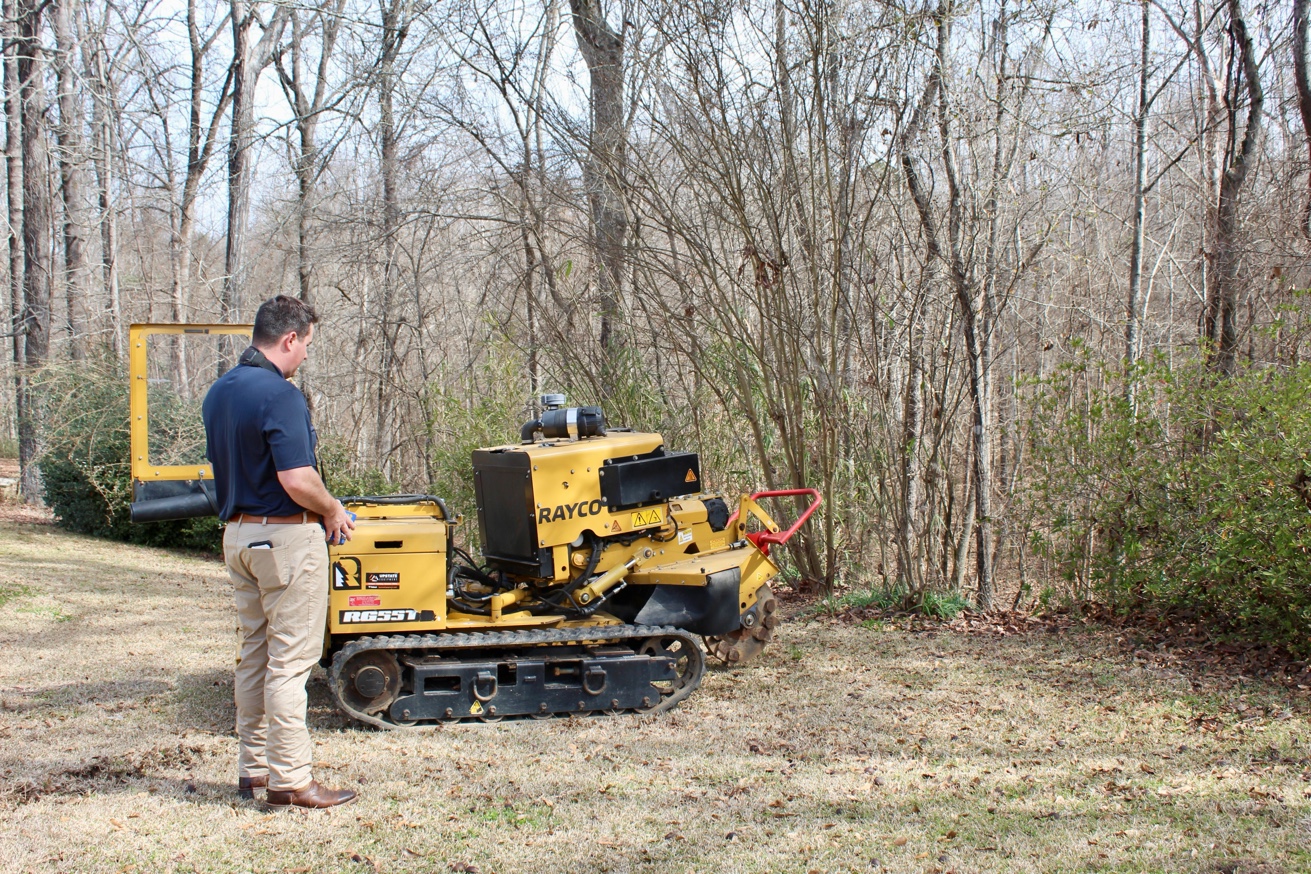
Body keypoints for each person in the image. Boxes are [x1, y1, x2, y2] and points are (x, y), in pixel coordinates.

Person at [202, 295, 357, 809]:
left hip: (238, 537)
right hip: (285, 540)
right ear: (289, 339)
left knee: (255, 656)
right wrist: (333, 510)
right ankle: (291, 780)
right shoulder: (280, 395)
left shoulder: (219, 392)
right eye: (307, 344)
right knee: (290, 664)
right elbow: (296, 478)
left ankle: (252, 773)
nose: (307, 356)